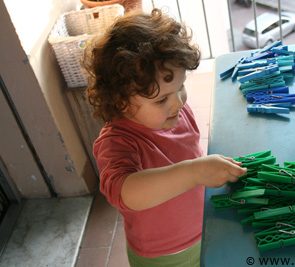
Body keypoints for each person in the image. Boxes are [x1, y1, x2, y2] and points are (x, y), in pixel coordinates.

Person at [83, 8, 247, 267]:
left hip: (202, 228)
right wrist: (194, 172)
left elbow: (189, 155)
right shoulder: (117, 142)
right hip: (163, 256)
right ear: (122, 101)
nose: (178, 103)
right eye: (161, 99)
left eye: (180, 86)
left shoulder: (176, 111)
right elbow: (125, 191)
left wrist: (204, 172)